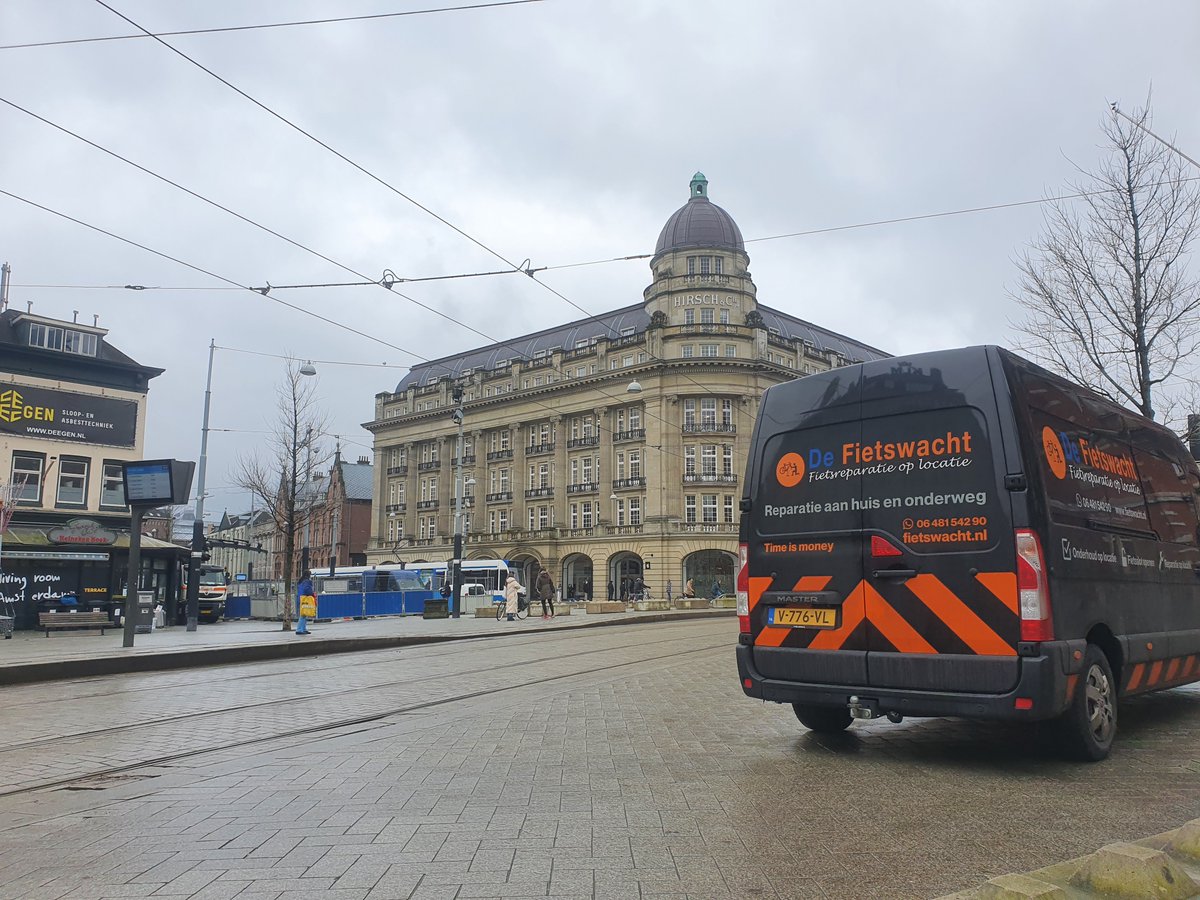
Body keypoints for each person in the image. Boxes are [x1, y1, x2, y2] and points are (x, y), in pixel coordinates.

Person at [296, 570, 316, 635]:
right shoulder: (307, 581)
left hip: (300, 598)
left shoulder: (300, 581)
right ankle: (299, 629)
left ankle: (303, 629)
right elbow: (308, 590)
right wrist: (312, 594)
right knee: (303, 615)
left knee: (303, 614)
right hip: (305, 598)